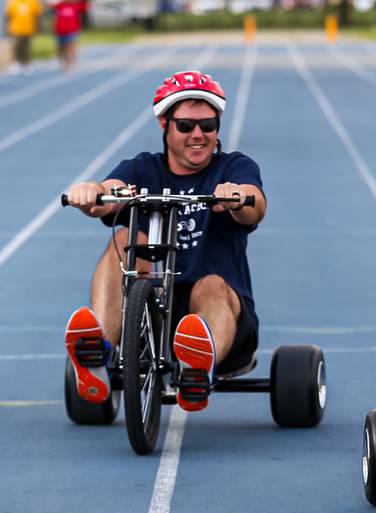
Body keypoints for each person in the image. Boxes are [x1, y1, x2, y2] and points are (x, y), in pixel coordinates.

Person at [64, 70, 267, 412]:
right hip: (153, 321)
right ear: (165, 124)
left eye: (208, 125)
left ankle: (197, 371)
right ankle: (98, 354)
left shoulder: (233, 167)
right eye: (186, 125)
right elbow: (111, 194)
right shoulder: (143, 169)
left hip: (224, 321)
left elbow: (255, 205)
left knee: (212, 284)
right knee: (127, 236)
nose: (198, 135)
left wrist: (237, 196)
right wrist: (92, 193)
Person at [4, 0, 43, 75]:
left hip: (29, 28)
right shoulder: (13, 2)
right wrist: (6, 27)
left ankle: (26, 63)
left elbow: (37, 15)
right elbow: (8, 16)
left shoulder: (32, 2)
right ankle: (16, 62)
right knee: (16, 46)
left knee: (26, 47)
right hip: (15, 29)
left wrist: (39, 26)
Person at [50, 0, 85, 72]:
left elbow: (85, 5)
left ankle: (70, 62)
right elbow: (51, 6)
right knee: (61, 47)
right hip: (60, 30)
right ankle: (62, 61)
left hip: (72, 30)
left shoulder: (76, 5)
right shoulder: (59, 6)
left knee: (71, 47)